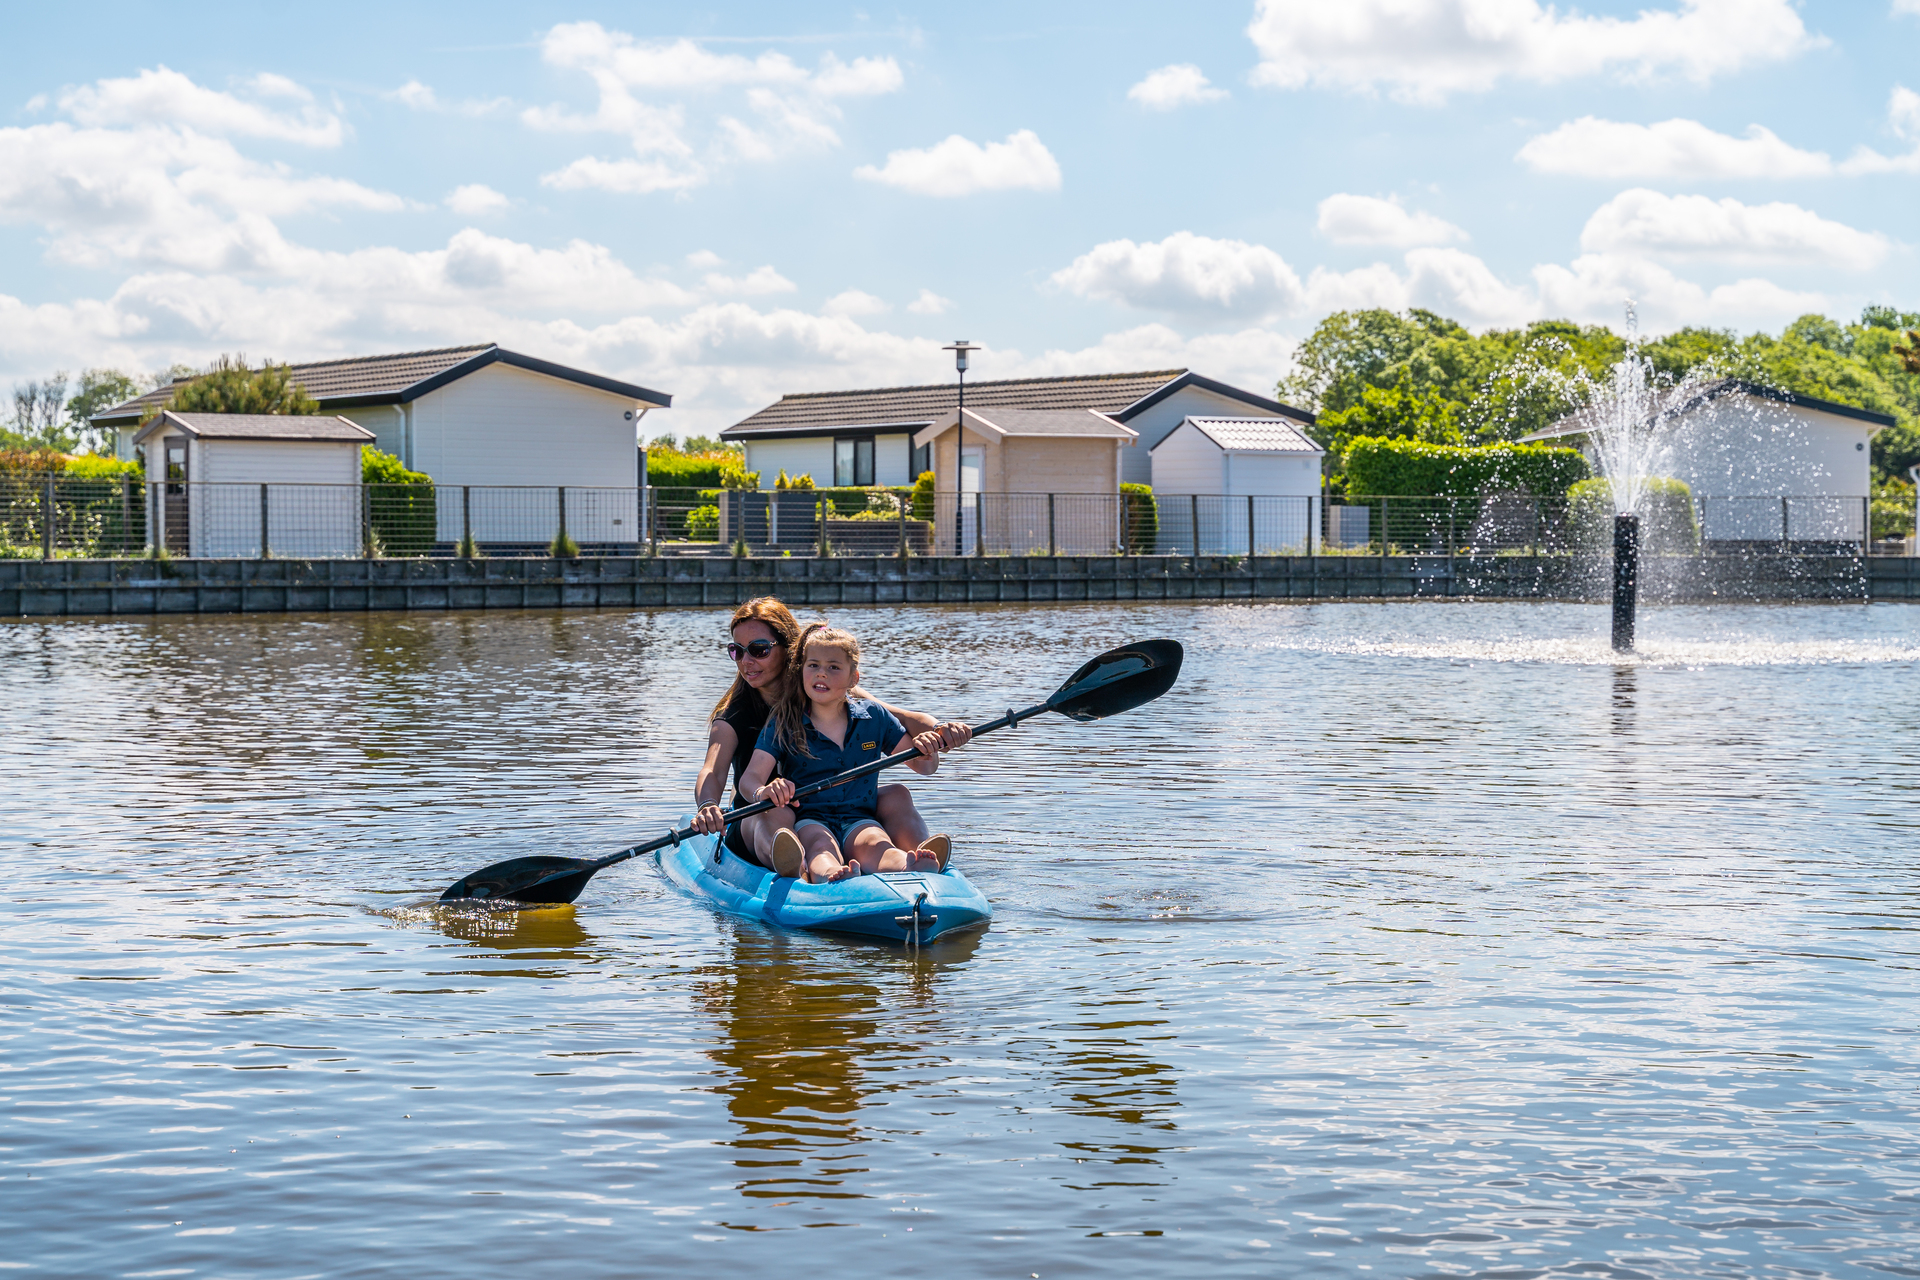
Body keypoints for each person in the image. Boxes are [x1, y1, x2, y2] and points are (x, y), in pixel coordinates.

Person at [690, 598, 968, 869]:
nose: (746, 661)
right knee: (775, 812)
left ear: (789, 649)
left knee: (896, 793)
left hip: (841, 805)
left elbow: (903, 718)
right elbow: (712, 772)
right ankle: (798, 868)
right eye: (737, 651)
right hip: (770, 813)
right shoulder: (734, 717)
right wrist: (708, 806)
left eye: (758, 649)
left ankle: (921, 860)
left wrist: (940, 730)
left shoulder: (828, 690)